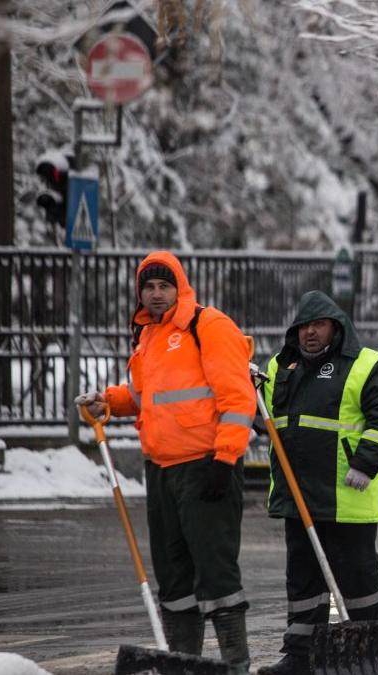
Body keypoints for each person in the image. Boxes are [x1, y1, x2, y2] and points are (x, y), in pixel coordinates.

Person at [75, 251, 254, 674]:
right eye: (148, 287)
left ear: (180, 287)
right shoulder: (148, 338)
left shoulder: (207, 326)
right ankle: (184, 663)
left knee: (215, 574)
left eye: (164, 286)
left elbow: (237, 398)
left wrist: (225, 459)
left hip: (206, 467)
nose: (156, 295)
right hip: (161, 471)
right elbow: (142, 397)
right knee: (173, 579)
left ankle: (236, 664)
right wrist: (108, 401)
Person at [257, 291, 378, 675]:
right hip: (298, 496)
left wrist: (366, 464)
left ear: (335, 328)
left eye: (317, 325)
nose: (310, 333)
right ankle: (300, 654)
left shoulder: (367, 365)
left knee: (357, 578)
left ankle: (367, 652)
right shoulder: (278, 367)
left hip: (347, 497)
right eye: (304, 326)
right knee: (303, 582)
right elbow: (265, 419)